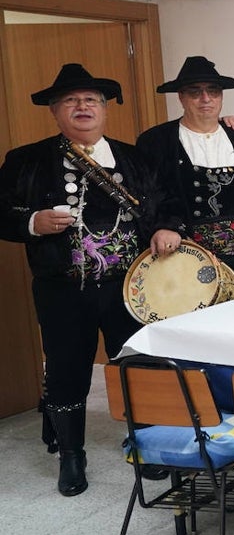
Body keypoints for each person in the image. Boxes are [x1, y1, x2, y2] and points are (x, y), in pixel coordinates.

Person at [0, 64, 182, 496]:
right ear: (55, 111)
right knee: (67, 369)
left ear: (104, 109)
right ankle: (71, 454)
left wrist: (167, 226)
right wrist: (32, 222)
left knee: (137, 365)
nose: (83, 107)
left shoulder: (134, 157)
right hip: (63, 290)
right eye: (71, 101)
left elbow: (167, 203)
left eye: (91, 101)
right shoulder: (27, 160)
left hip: (131, 289)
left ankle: (147, 444)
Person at [137, 56, 234, 293]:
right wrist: (163, 226)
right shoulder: (156, 141)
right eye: (195, 92)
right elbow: (148, 196)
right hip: (184, 260)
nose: (206, 99)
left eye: (213, 91)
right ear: (181, 97)